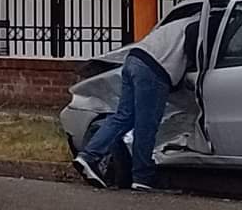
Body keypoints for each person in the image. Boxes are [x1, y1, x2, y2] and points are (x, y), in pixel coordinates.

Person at [73, 15, 199, 191]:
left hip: (134, 60)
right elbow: (194, 50)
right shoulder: (200, 23)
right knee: (145, 125)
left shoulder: (183, 21)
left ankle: (89, 156)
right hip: (155, 69)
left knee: (124, 116)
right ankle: (143, 177)